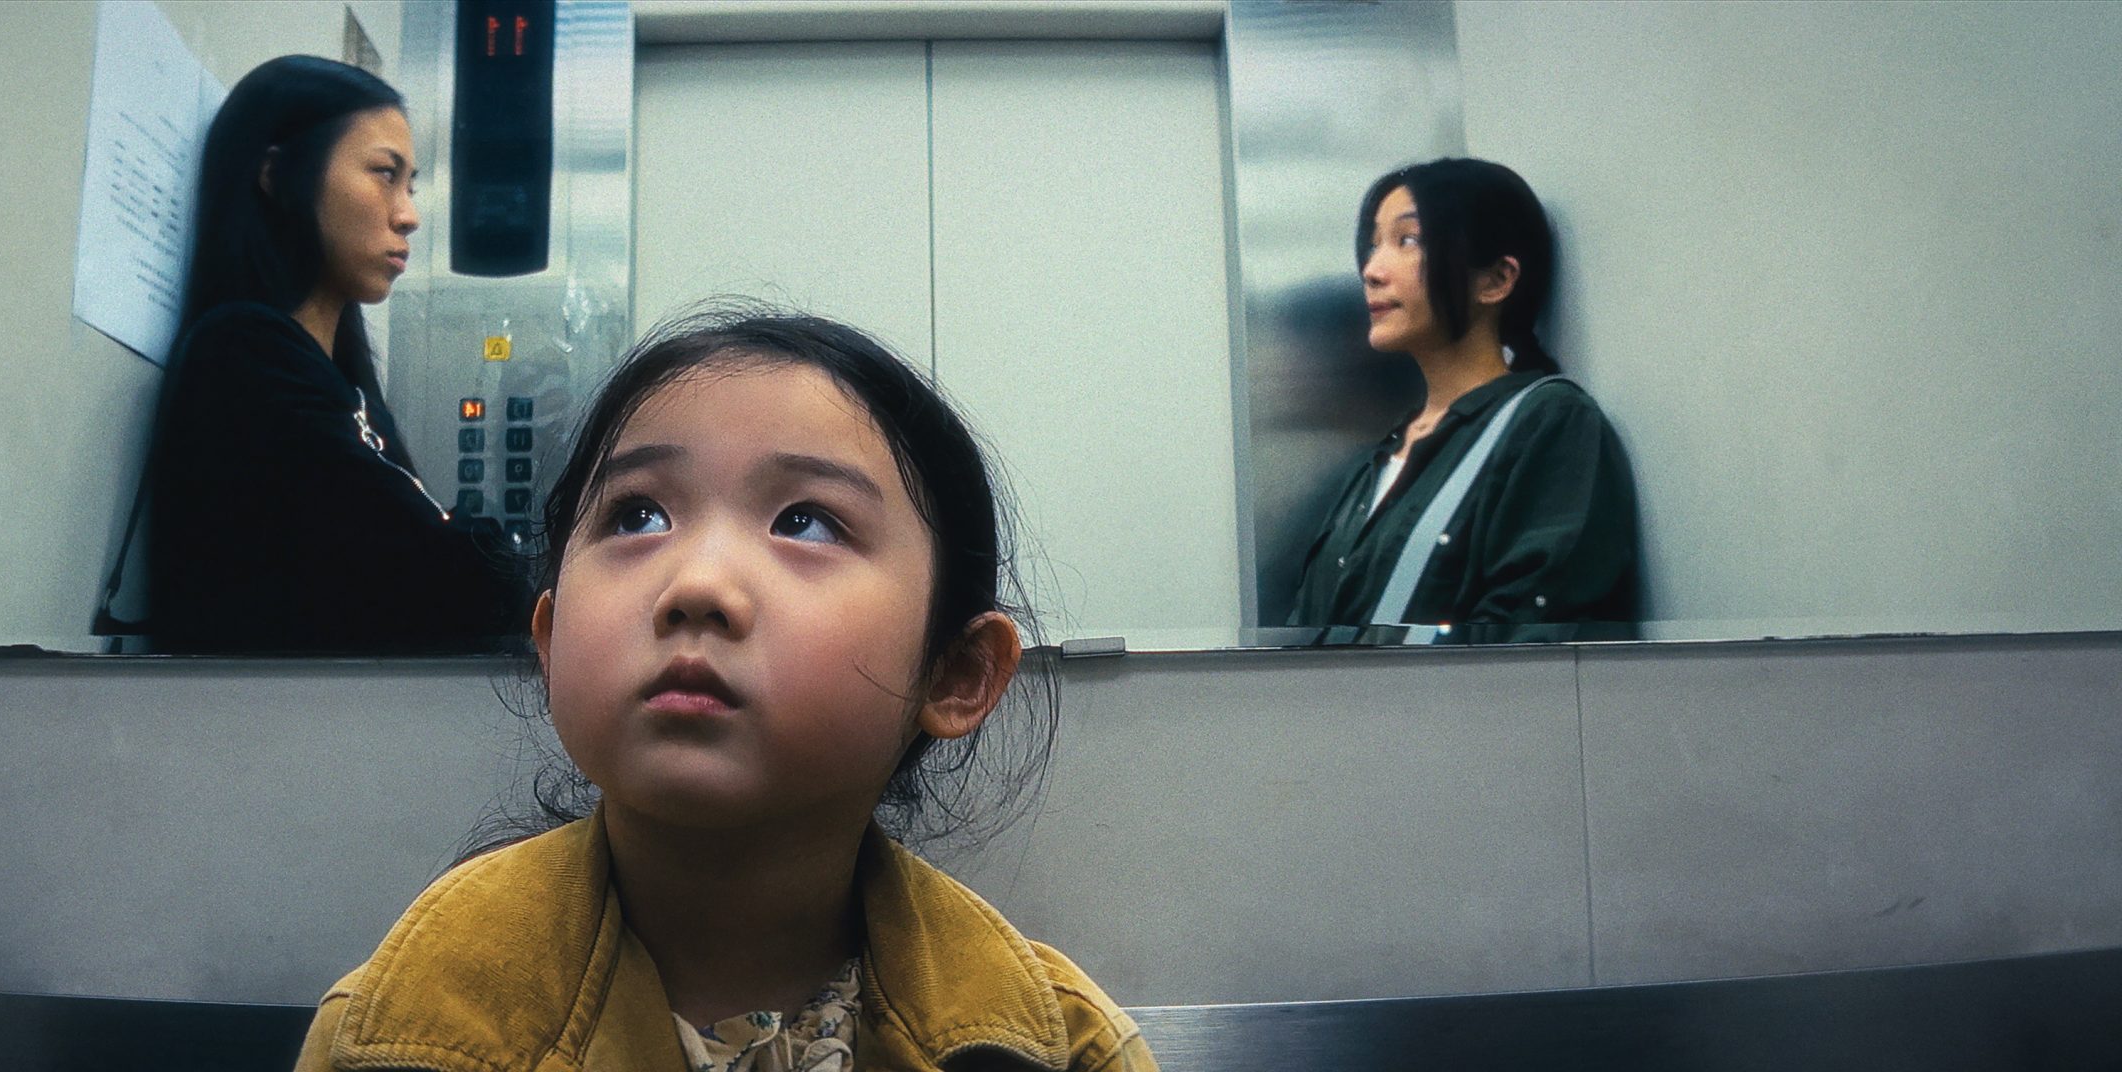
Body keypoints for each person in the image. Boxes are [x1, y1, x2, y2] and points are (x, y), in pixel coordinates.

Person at [293, 309, 1156, 1072]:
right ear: (551, 645)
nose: (696, 584)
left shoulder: (1064, 1050)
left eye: (805, 522)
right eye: (637, 515)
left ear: (955, 674)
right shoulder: (391, 1037)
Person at [141, 55, 522, 654]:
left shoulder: (342, 385)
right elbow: (441, 578)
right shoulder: (244, 356)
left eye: (410, 184)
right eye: (383, 174)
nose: (409, 215)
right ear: (278, 175)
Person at [1290, 158, 1639, 639]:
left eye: (1407, 240)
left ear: (1496, 280)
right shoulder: (1379, 458)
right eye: (1373, 245)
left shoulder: (1549, 422)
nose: (1371, 270)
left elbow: (1534, 650)